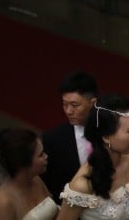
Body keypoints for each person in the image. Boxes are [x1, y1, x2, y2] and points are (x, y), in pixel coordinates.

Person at [41, 71, 98, 202]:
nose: (68, 111)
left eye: (74, 105)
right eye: (64, 104)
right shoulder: (53, 139)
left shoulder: (110, 130)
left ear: (93, 102)